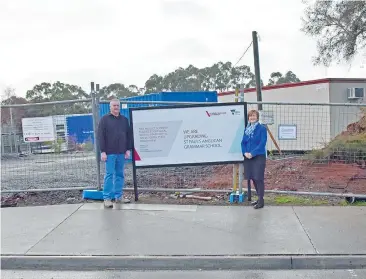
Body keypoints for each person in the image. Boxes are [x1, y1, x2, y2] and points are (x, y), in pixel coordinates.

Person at [97, 99, 132, 209]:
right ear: (110, 107)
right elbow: (100, 136)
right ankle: (107, 198)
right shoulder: (104, 120)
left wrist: (128, 149)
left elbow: (128, 135)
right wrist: (103, 151)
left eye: (117, 105)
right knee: (109, 175)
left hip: (121, 152)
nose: (116, 107)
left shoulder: (124, 120)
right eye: (114, 106)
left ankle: (118, 197)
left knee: (120, 174)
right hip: (109, 153)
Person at [241, 109, 268, 209]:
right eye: (250, 116)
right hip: (248, 157)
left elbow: (262, 143)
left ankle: (261, 200)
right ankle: (259, 198)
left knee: (258, 178)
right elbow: (243, 142)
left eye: (254, 116)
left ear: (257, 117)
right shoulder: (247, 129)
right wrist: (245, 152)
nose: (252, 118)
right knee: (252, 177)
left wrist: (253, 153)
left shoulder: (262, 129)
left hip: (258, 156)